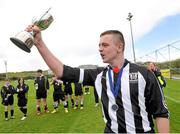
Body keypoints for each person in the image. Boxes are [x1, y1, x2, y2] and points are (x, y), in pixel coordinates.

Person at [26, 25, 169, 133]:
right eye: (99, 45)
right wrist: (39, 43)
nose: (100, 49)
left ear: (120, 47)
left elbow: (161, 113)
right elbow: (62, 71)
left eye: (105, 45)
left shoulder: (144, 74)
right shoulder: (99, 75)